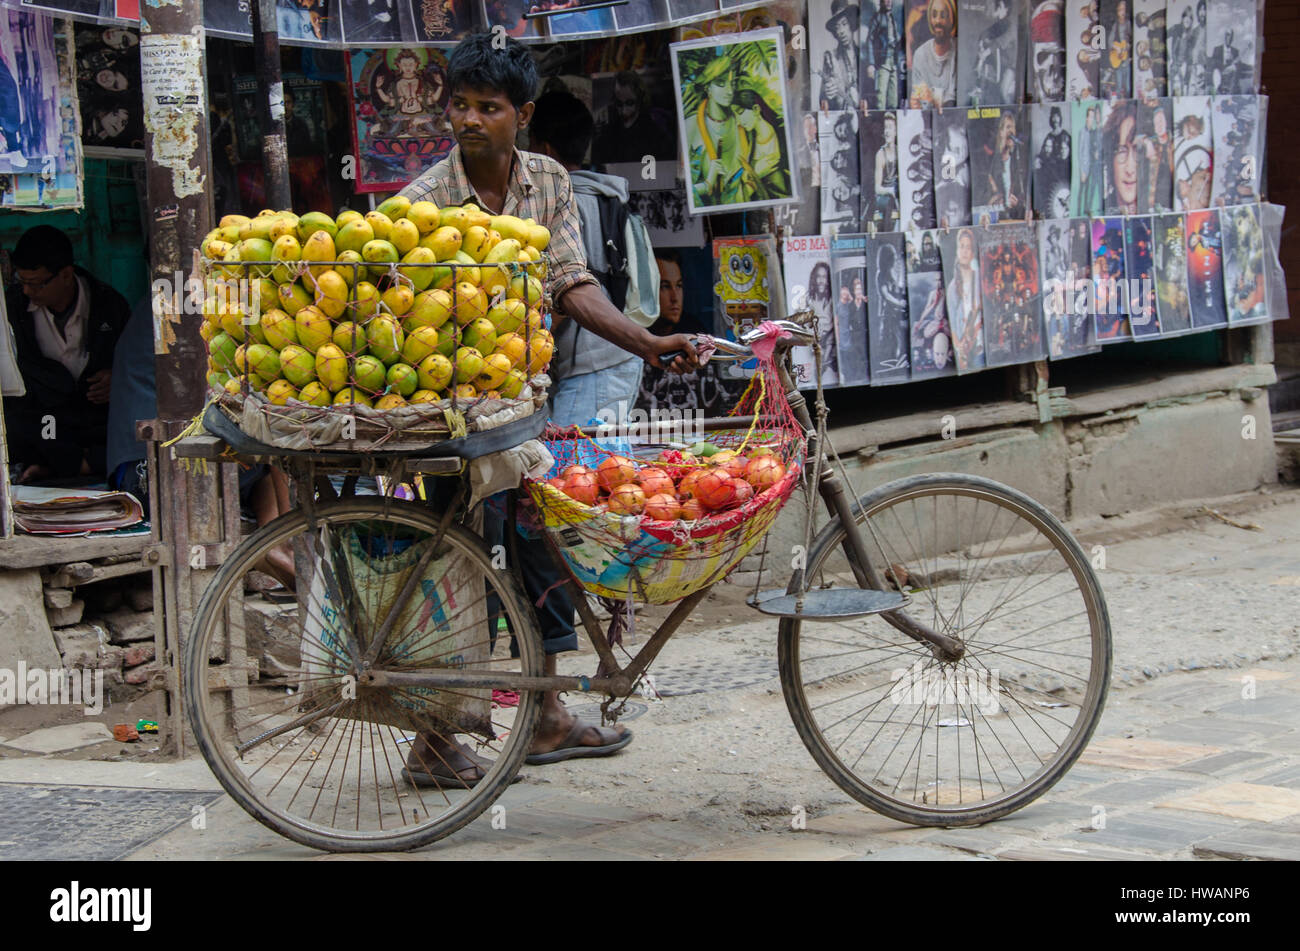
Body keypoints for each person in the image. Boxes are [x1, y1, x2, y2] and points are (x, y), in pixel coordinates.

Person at [396, 34, 696, 784]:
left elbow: (572, 282)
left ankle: (549, 716)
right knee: (463, 554)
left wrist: (647, 340)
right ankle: (433, 738)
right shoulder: (422, 202)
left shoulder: (551, 183)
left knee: (540, 545)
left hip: (525, 407)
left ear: (521, 114)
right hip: (452, 419)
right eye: (460, 104)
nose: (469, 119)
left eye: (487, 107)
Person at [530, 88, 647, 428]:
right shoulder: (606, 196)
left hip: (596, 363)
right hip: (612, 357)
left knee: (573, 472)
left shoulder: (566, 203)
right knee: (591, 470)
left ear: (543, 149)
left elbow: (567, 289)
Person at [4, 227, 129, 484]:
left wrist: (118, 377)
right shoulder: (13, 308)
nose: (27, 291)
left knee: (127, 436)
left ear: (66, 274)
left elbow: (135, 361)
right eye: (22, 281)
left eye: (36, 283)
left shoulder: (109, 305)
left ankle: (78, 464)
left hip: (97, 417)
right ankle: (59, 464)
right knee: (37, 429)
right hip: (47, 419)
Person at [910, 0, 956, 107]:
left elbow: (952, 100)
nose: (938, 21)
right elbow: (919, 99)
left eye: (943, 15)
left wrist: (934, 98)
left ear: (952, 20)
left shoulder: (958, 51)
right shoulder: (920, 55)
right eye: (934, 15)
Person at [820, 0, 860, 110]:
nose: (841, 31)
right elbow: (822, 100)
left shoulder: (864, 55)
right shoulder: (830, 58)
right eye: (837, 27)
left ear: (851, 24)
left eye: (844, 24)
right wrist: (829, 95)